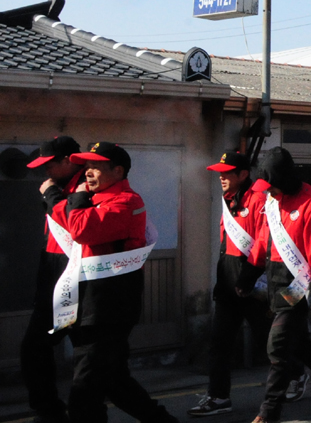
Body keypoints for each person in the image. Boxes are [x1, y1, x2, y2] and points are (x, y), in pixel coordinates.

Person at [52, 142, 177, 423]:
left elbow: (81, 229)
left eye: (96, 166)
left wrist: (75, 199)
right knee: (114, 381)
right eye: (86, 166)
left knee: (84, 390)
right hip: (89, 305)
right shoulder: (91, 199)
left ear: (118, 171)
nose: (88, 172)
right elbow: (62, 217)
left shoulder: (126, 202)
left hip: (109, 308)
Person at [234, 148, 311, 422]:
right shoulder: (272, 201)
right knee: (300, 345)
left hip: (299, 283)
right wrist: (247, 277)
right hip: (274, 280)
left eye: (271, 185)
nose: (268, 191)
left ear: (283, 179)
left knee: (278, 346)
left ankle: (269, 412)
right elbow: (262, 241)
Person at [189, 151, 271, 417]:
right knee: (219, 342)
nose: (221, 177)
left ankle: (297, 374)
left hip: (253, 284)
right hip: (227, 285)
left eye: (227, 173)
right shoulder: (228, 200)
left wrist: (247, 279)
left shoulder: (258, 200)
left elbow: (262, 243)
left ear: (243, 174)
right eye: (219, 173)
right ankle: (218, 396)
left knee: (269, 340)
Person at [22, 136, 84, 423]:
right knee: (34, 348)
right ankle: (48, 409)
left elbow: (75, 223)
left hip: (79, 279)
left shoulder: (85, 187)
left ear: (68, 161)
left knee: (91, 359)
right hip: (52, 274)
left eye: (49, 164)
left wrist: (50, 195)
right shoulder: (58, 187)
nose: (44, 171)